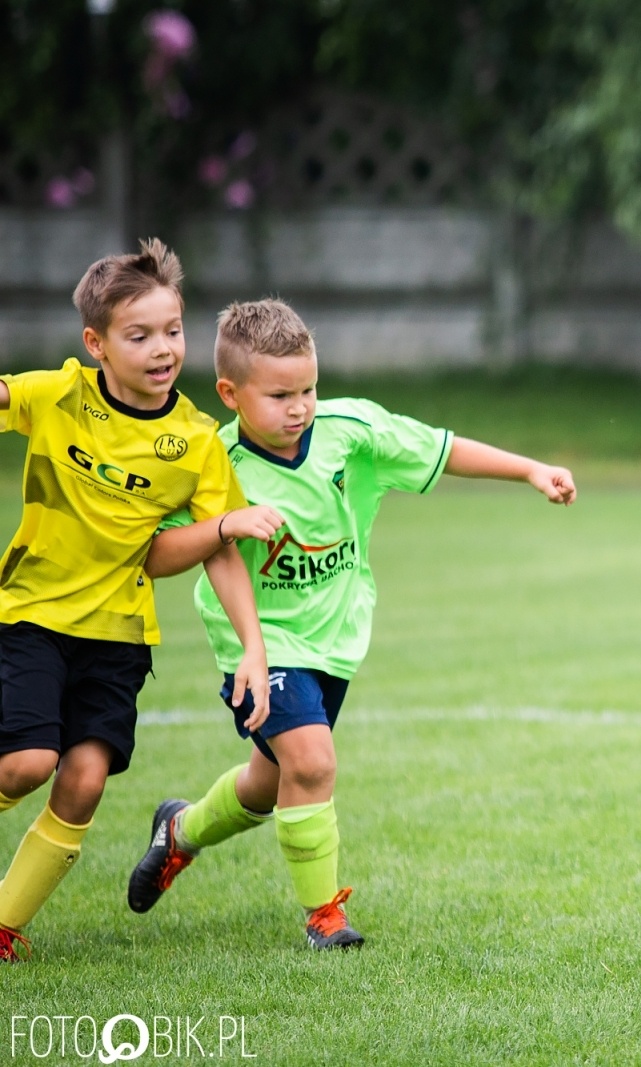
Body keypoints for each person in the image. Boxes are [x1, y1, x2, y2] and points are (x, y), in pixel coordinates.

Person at [126, 298, 577, 949]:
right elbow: (158, 552)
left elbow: (440, 447)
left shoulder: (351, 430)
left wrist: (531, 469)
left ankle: (181, 831)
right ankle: (324, 916)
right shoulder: (213, 462)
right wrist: (223, 525)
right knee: (312, 761)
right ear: (230, 393)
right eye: (280, 395)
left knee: (267, 783)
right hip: (259, 644)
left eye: (308, 389)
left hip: (335, 638)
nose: (300, 407)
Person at [0, 240, 271, 962]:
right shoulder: (60, 395)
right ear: (96, 344)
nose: (162, 349)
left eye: (173, 331)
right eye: (139, 335)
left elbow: (215, 549)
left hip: (118, 635)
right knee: (26, 763)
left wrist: (253, 646)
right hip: (30, 613)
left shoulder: (195, 441)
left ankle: (3, 926)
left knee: (85, 780)